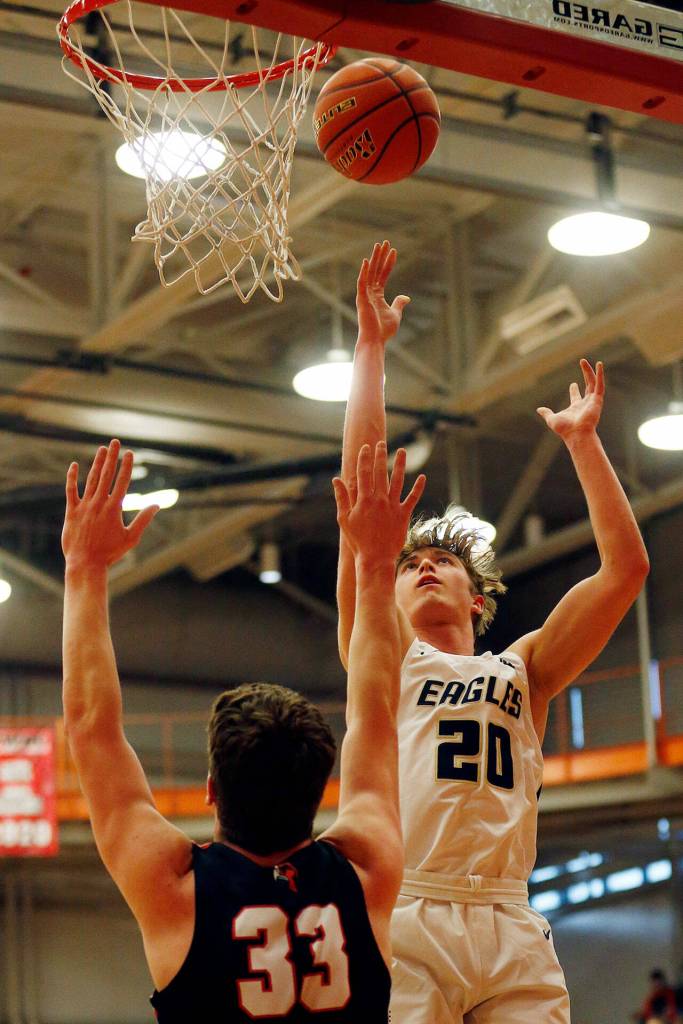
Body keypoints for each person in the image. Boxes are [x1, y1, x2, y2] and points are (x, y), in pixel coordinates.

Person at [336, 241, 650, 1024]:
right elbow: (364, 485)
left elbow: (624, 571)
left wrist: (583, 444)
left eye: (445, 561)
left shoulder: (526, 670)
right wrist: (370, 349)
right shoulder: (381, 656)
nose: (428, 568)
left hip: (511, 919)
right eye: (412, 564)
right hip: (409, 908)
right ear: (392, 590)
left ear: (478, 601)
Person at [61, 437, 424, 1022]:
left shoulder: (174, 891)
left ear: (211, 787)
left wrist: (83, 569)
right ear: (321, 789)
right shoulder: (367, 871)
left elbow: (88, 728)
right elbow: (378, 716)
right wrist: (379, 564)